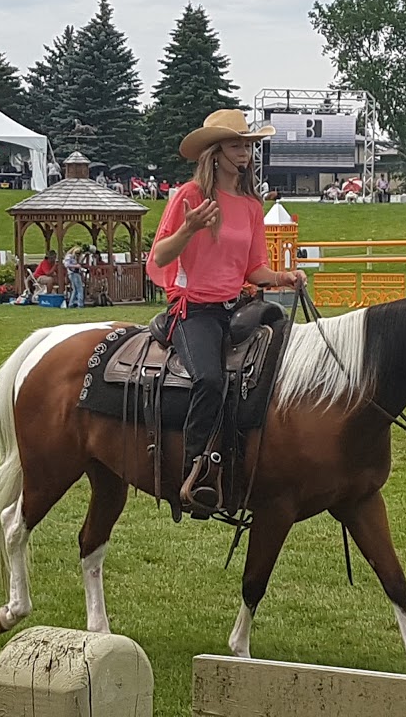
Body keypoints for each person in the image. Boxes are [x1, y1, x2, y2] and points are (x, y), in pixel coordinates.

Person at [146, 108, 306, 514]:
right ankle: (193, 471)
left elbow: (253, 268)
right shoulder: (190, 197)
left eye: (249, 145)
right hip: (193, 310)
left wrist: (283, 277)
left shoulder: (252, 206)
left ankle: (250, 460)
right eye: (237, 144)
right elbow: (159, 256)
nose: (245, 152)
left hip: (236, 308)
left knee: (272, 374)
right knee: (211, 381)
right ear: (215, 152)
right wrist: (190, 228)